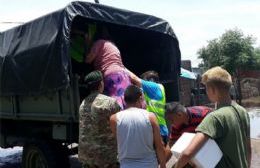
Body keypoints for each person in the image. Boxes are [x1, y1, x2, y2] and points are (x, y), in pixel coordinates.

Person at [174, 66, 251, 168]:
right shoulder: (243, 111)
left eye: (206, 88)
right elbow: (248, 148)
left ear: (213, 89)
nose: (206, 92)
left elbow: (187, 154)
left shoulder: (214, 118)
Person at [110, 85, 166, 168]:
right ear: (140, 98)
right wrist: (163, 165)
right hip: (149, 164)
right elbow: (159, 145)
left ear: (124, 100)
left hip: (126, 165)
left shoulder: (114, 119)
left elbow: (119, 141)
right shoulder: (151, 117)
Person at [78, 70, 121, 168]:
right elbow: (120, 124)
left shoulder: (83, 104)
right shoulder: (110, 102)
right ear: (101, 84)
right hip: (106, 158)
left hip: (87, 156)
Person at [85, 24, 131, 109]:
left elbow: (88, 59)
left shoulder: (99, 43)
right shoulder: (112, 44)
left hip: (111, 77)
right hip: (123, 76)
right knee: (125, 104)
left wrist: (87, 44)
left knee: (112, 105)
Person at [127, 70, 168, 145]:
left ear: (150, 81)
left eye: (144, 82)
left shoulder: (153, 87)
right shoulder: (155, 91)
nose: (141, 85)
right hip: (158, 130)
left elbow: (134, 78)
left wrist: (119, 65)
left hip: (157, 132)